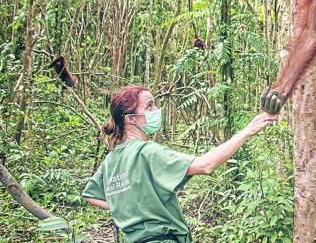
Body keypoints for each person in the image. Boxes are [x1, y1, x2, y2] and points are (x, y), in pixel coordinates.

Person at [82, 85, 278, 243]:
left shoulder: (111, 159)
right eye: (149, 106)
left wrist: (126, 207)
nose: (156, 110)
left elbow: (90, 194)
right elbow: (205, 165)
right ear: (131, 119)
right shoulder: (147, 151)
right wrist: (248, 131)